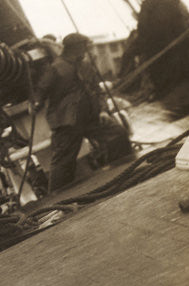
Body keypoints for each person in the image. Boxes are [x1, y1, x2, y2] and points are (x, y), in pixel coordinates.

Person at [33, 33, 132, 192]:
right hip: (67, 123)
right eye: (85, 47)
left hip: (91, 117)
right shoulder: (55, 68)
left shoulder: (86, 66)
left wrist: (103, 111)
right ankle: (57, 197)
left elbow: (97, 91)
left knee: (118, 133)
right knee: (63, 161)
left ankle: (122, 174)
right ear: (76, 48)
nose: (87, 50)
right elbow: (41, 90)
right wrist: (35, 103)